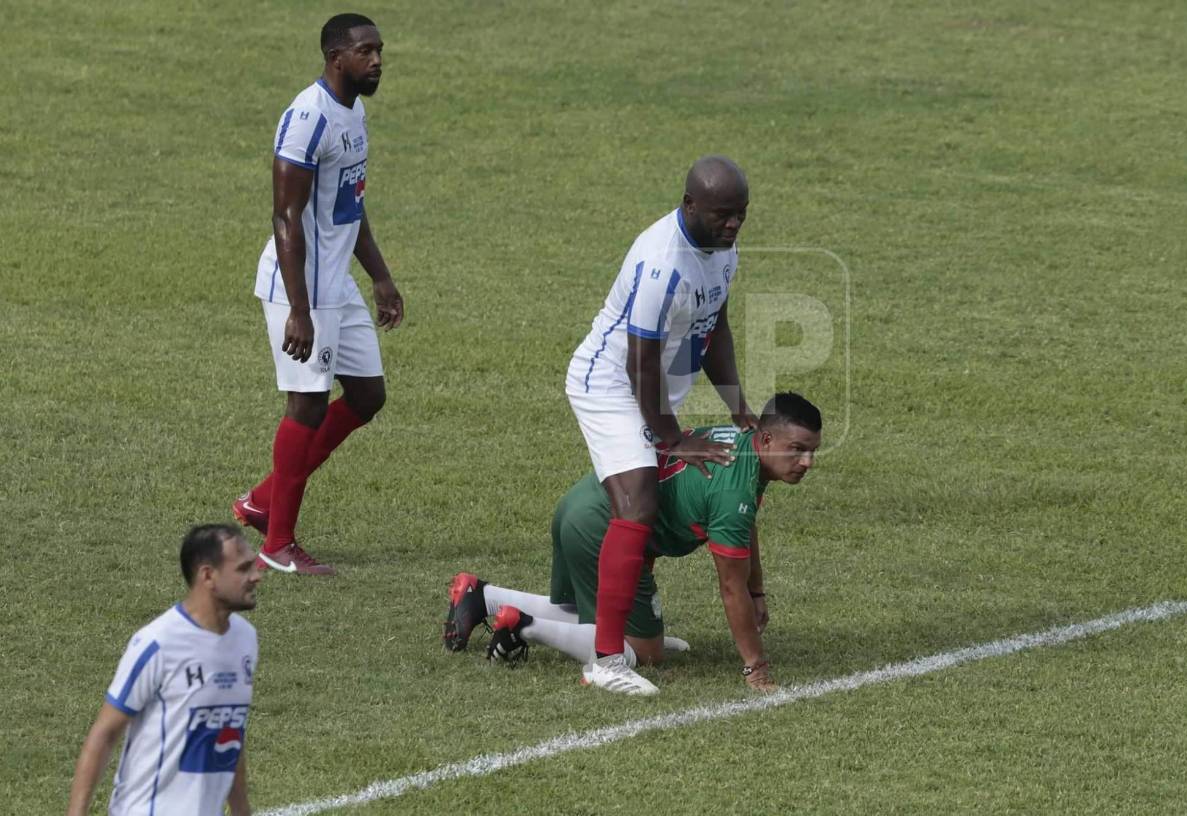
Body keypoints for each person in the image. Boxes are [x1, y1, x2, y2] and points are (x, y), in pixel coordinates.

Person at [445, 393, 822, 695]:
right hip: (605, 525)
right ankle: (522, 625)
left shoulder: (741, 443)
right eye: (798, 449)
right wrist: (756, 667)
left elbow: (744, 527)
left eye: (812, 452)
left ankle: (484, 597)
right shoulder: (734, 488)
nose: (807, 462)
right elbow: (729, 586)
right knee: (646, 652)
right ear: (768, 438)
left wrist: (758, 591)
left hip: (583, 504)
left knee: (584, 612)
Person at [563, 155, 756, 691]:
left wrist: (738, 404)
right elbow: (639, 362)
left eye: (741, 213)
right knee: (639, 501)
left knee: (645, 500)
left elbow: (715, 327)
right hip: (609, 386)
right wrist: (672, 438)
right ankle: (606, 661)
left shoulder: (721, 249)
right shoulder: (662, 264)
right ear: (690, 205)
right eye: (723, 214)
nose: (734, 224)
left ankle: (626, 627)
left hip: (648, 388)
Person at [232, 13, 404, 576]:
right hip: (301, 285)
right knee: (305, 402)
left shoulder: (354, 112)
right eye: (365, 52)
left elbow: (349, 204)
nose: (376, 60)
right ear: (336, 57)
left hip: (336, 282)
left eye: (379, 50)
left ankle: (263, 500)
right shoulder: (308, 118)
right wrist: (299, 309)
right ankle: (277, 544)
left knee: (367, 395)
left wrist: (379, 275)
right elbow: (285, 217)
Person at [67, 525, 261, 815]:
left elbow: (230, 732)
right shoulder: (158, 643)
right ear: (208, 575)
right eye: (244, 569)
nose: (256, 576)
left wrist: (241, 808)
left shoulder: (244, 639)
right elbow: (104, 734)